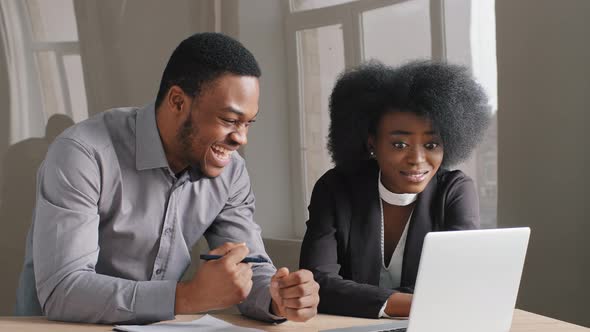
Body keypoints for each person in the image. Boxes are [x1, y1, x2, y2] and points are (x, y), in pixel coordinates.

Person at [15, 33, 319, 324]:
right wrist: (184, 298)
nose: (241, 138)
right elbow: (63, 291)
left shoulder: (231, 171)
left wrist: (279, 298)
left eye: (248, 123)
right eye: (229, 120)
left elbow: (251, 270)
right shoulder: (83, 154)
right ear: (177, 101)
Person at [299, 61, 491, 319]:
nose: (417, 159)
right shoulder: (335, 188)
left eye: (432, 144)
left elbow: (456, 283)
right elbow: (317, 282)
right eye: (400, 144)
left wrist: (364, 299)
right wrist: (418, 303)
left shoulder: (454, 191)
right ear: (372, 143)